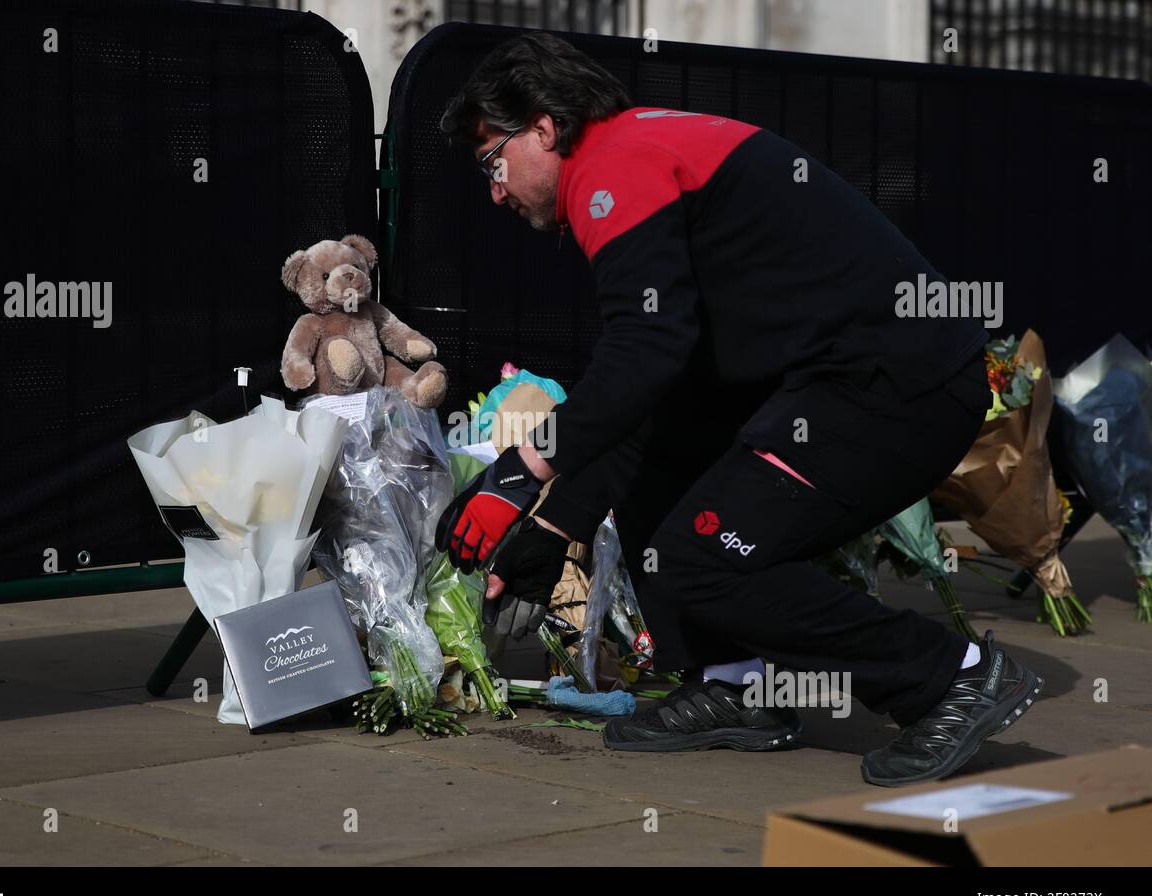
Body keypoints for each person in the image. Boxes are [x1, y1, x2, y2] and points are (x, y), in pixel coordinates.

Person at [433, 32, 1042, 786]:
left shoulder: (612, 169)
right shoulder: (639, 151)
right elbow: (661, 389)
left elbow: (644, 354)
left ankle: (955, 674)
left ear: (546, 127)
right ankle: (739, 685)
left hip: (895, 385)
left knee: (704, 561)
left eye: (493, 160)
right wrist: (559, 523)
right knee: (664, 481)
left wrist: (518, 473)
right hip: (856, 378)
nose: (494, 190)